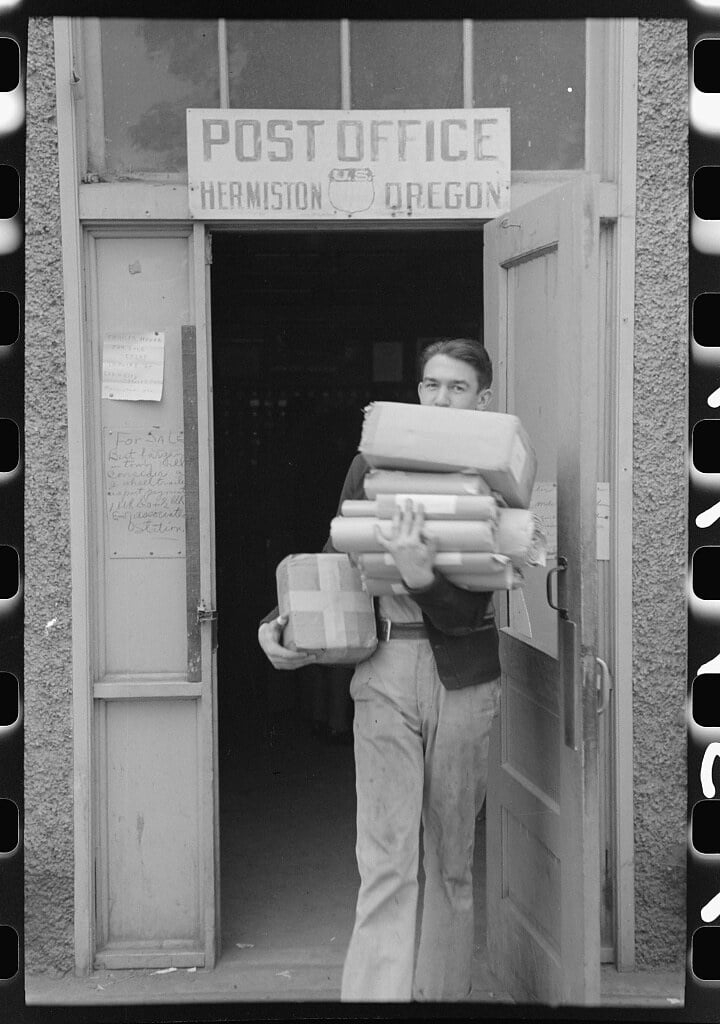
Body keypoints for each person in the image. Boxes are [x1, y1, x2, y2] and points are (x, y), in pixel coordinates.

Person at [257, 338, 502, 1002]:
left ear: (483, 399)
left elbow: (471, 607)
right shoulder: (370, 464)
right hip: (387, 669)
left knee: (452, 865)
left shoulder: (499, 474)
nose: (440, 397)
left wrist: (422, 575)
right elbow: (338, 567)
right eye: (430, 385)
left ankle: (442, 999)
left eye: (456, 387)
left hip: (466, 680)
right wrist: (286, 629)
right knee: (386, 863)